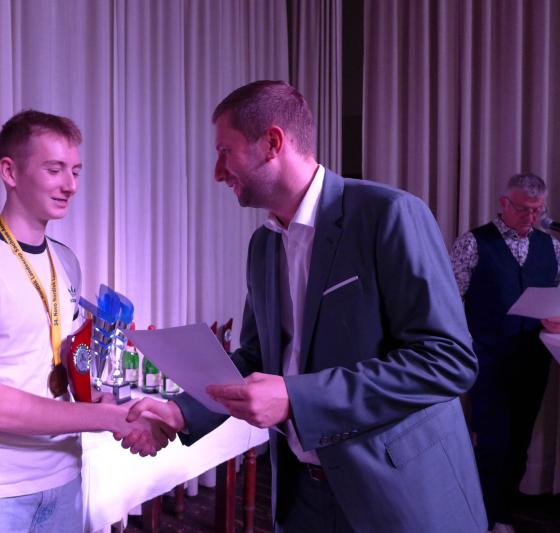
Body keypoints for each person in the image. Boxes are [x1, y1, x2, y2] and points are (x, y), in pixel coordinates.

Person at [121, 81, 487, 532]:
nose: (217, 172)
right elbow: (257, 358)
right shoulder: (263, 245)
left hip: (395, 495)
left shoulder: (389, 214)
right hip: (301, 498)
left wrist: (297, 398)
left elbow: (447, 360)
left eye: (225, 152)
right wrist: (182, 411)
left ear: (272, 143)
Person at [0, 109, 172, 532]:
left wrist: (114, 404)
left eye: (75, 171)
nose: (70, 185)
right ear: (10, 171)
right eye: (54, 169)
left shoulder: (65, 261)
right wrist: (109, 419)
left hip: (63, 481)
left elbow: (67, 367)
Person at [449, 173, 560, 532]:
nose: (532, 216)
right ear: (503, 203)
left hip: (533, 360)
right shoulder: (473, 243)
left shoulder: (552, 247)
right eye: (524, 209)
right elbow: (450, 300)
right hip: (488, 359)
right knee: (493, 442)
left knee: (520, 441)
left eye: (538, 210)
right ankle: (486, 516)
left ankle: (502, 511)